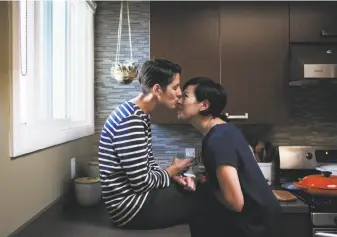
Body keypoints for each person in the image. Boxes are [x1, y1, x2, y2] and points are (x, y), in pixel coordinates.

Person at [98, 59, 204, 231]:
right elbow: (142, 183)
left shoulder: (139, 113)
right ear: (157, 89)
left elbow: (148, 164)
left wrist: (173, 178)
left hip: (137, 199)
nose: (179, 93)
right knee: (204, 199)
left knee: (193, 190)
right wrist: (173, 170)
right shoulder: (130, 120)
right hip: (129, 209)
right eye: (175, 87)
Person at [177, 77, 283, 237]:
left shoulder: (218, 140)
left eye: (185, 96)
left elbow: (235, 203)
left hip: (255, 226)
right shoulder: (225, 130)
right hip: (262, 220)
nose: (179, 100)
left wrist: (205, 188)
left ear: (204, 105)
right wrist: (201, 181)